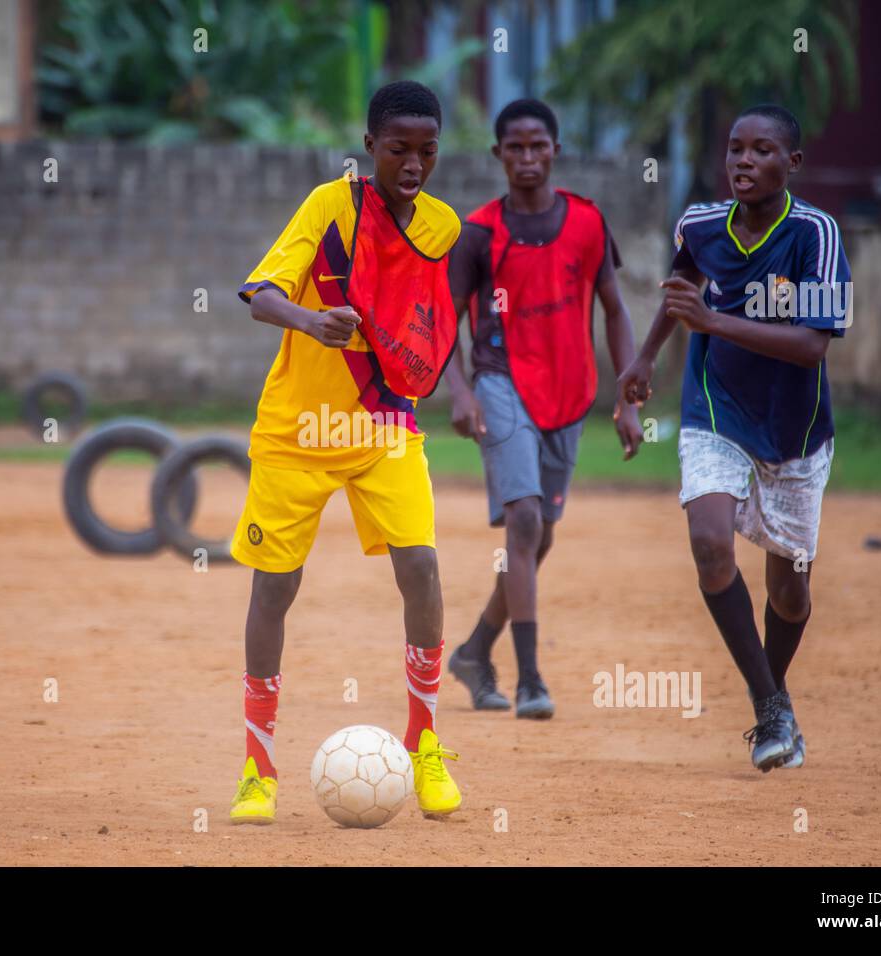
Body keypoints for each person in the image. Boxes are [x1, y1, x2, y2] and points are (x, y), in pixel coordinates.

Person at [228, 81, 465, 824]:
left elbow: (429, 327)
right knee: (274, 591)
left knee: (421, 565)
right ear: (370, 148)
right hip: (297, 433)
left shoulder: (441, 228)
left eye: (427, 150)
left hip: (385, 425)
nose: (414, 163)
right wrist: (310, 320)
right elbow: (260, 291)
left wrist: (458, 387)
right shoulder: (330, 205)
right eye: (399, 148)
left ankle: (424, 744)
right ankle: (256, 771)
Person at [619, 104, 850, 771]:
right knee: (710, 543)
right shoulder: (699, 223)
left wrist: (714, 324)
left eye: (762, 151)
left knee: (791, 593)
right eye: (735, 150)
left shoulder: (817, 235)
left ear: (792, 163)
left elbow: (811, 346)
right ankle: (770, 707)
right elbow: (683, 283)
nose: (744, 162)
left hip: (795, 429)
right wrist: (645, 358)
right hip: (715, 407)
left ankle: (773, 698)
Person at [445, 98, 642, 719]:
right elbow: (442, 323)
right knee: (525, 523)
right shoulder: (478, 233)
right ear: (498, 155)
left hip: (569, 393)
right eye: (515, 148)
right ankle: (530, 680)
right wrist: (459, 390)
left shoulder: (587, 222)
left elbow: (614, 308)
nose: (527, 158)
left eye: (538, 146)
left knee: (540, 535)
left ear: (555, 150)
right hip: (500, 382)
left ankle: (475, 649)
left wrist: (628, 394)